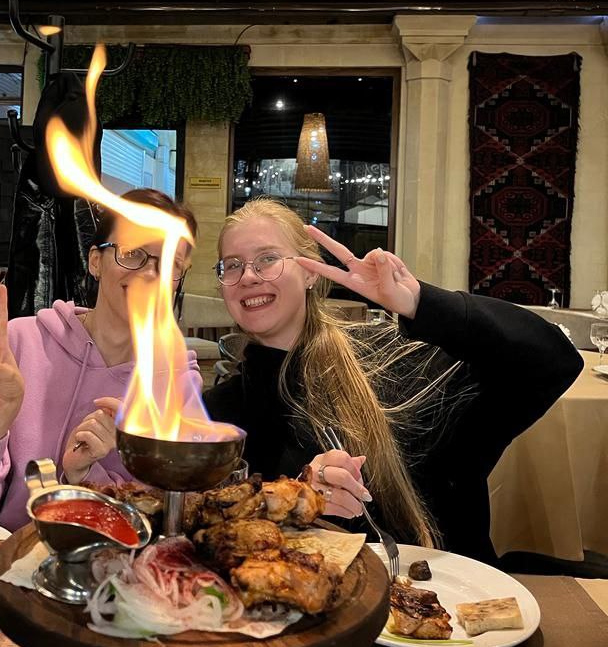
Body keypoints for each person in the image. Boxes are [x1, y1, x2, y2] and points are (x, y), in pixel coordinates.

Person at [203, 198, 583, 564]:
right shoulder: (214, 415)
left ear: (310, 272)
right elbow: (212, 540)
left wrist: (420, 303)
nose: (248, 276)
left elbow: (553, 361)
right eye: (232, 265)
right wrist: (296, 500)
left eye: (268, 259)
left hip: (448, 594)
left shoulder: (398, 362)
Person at [0, 189, 199, 531]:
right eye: (132, 253)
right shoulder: (18, 345)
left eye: (170, 264)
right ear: (96, 261)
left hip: (104, 562)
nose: (150, 274)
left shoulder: (177, 381)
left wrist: (88, 476)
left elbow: (168, 525)